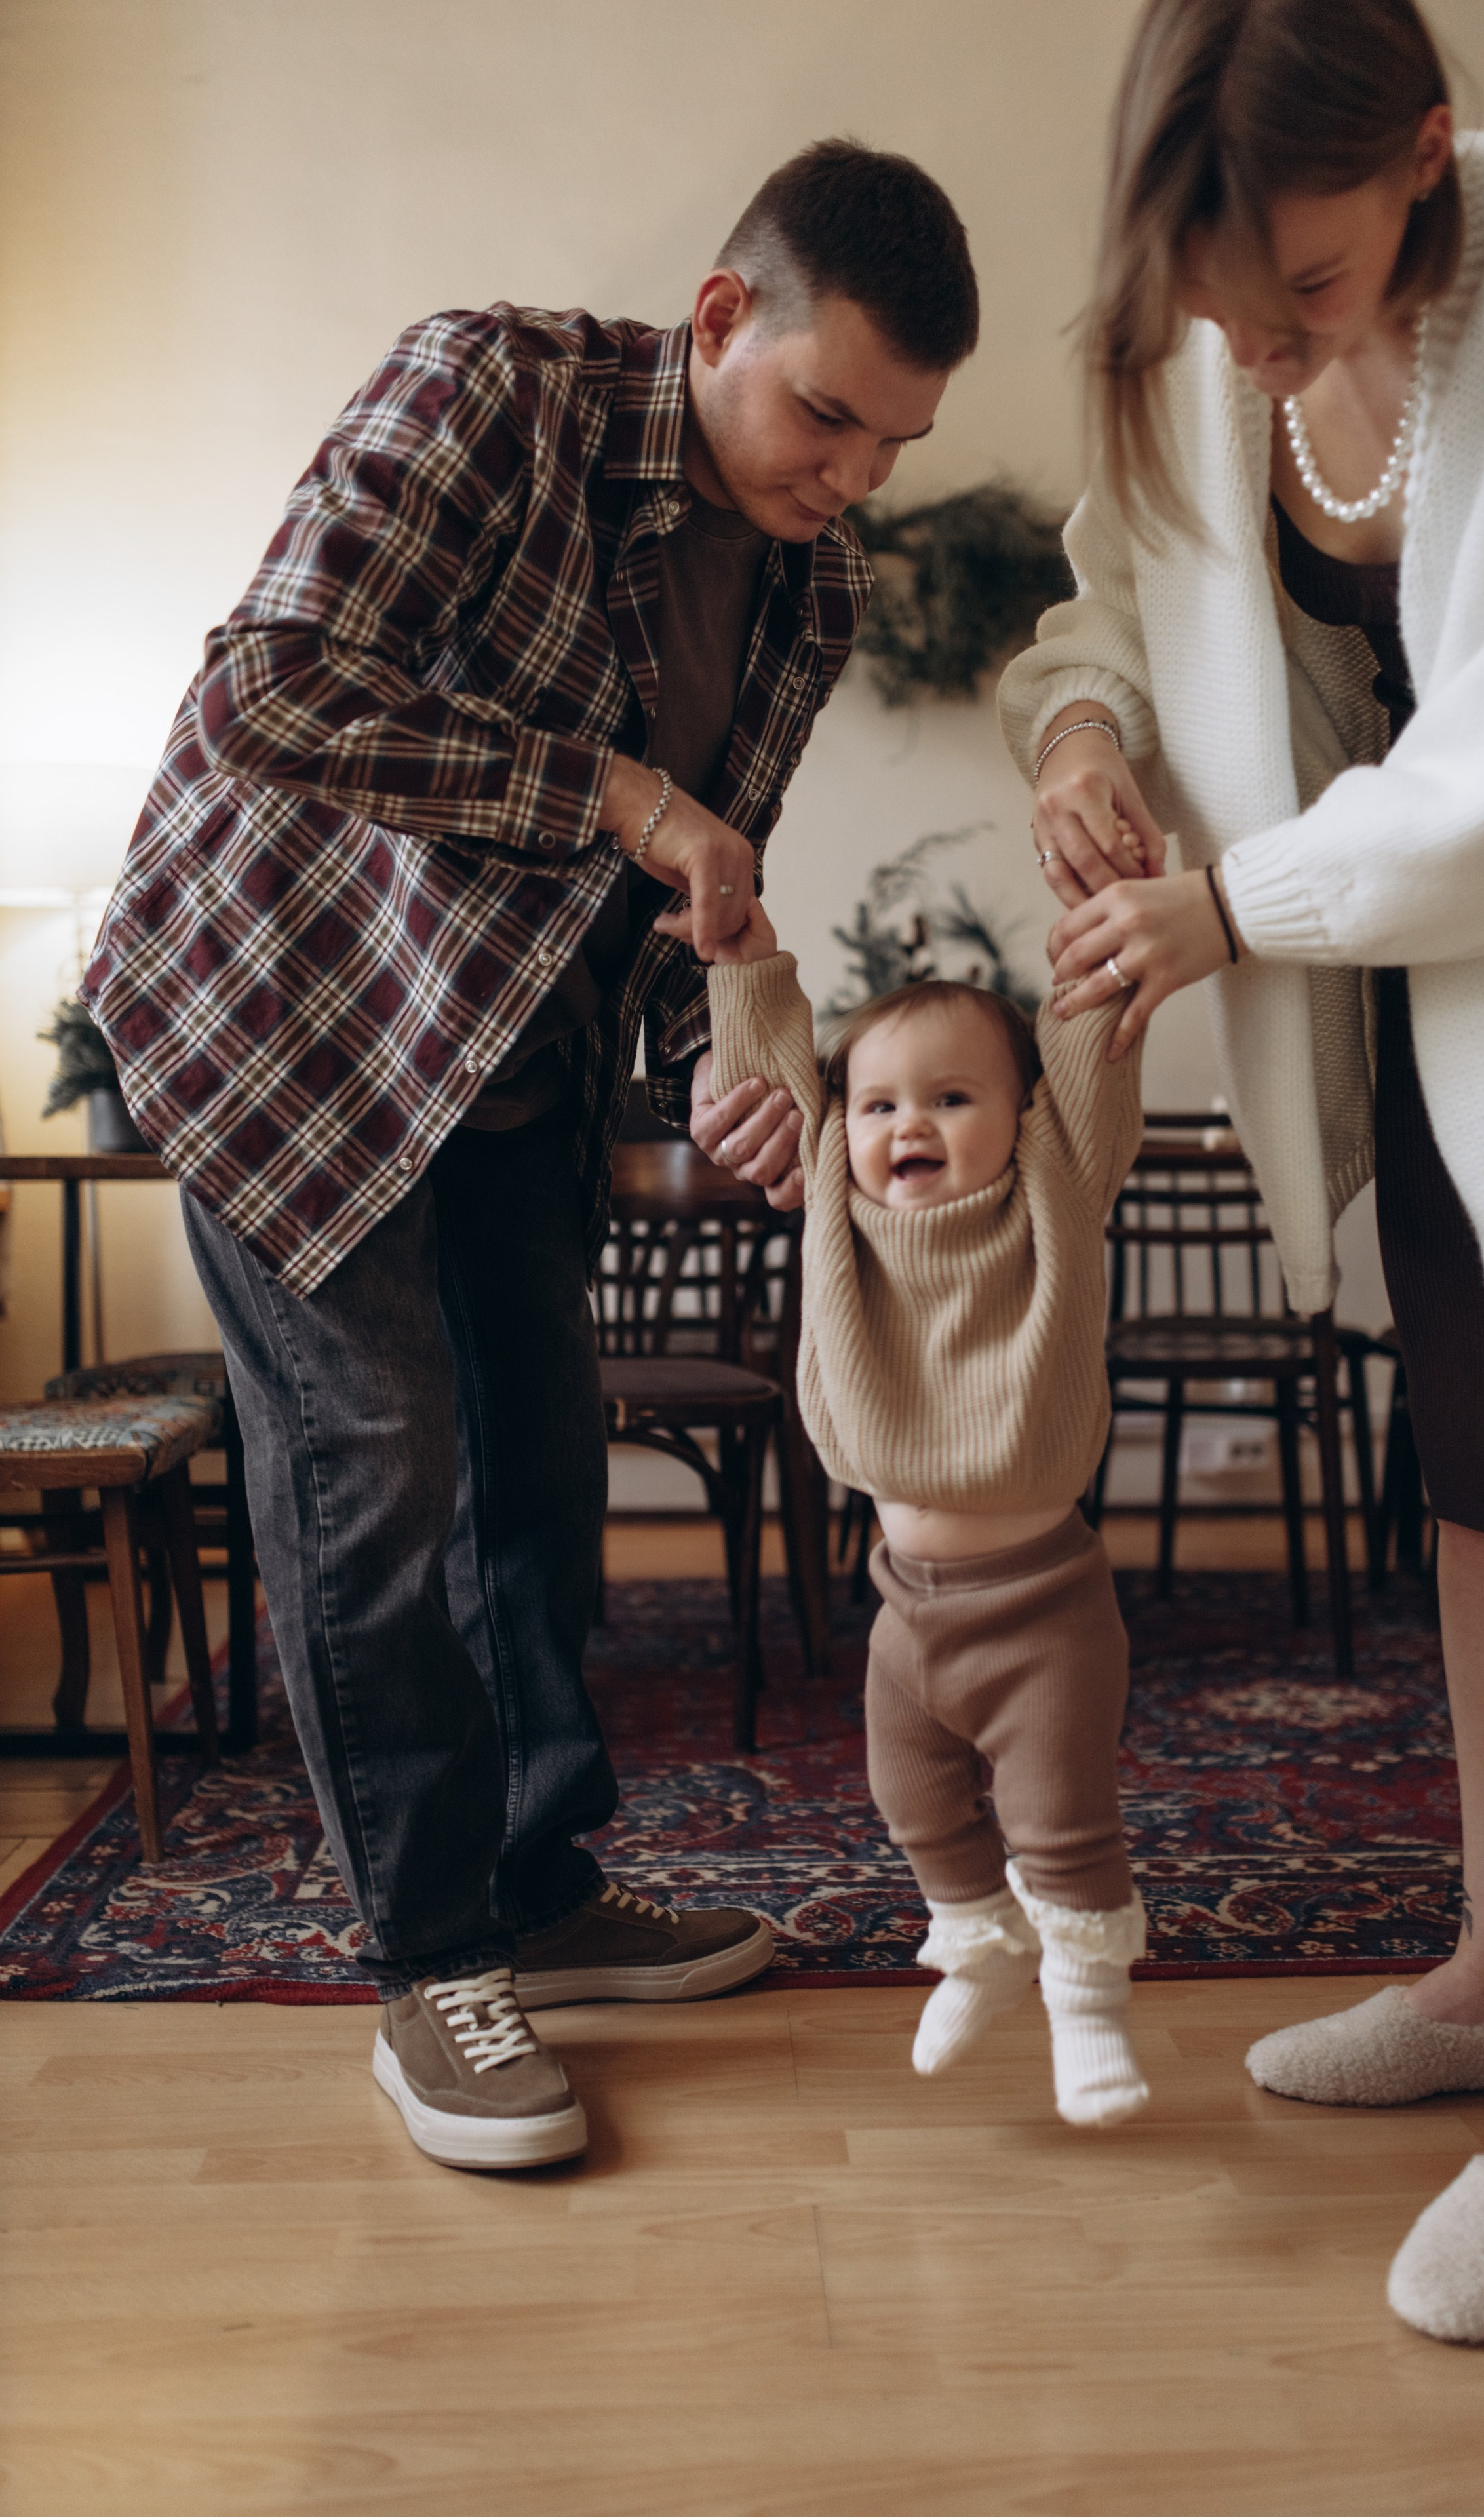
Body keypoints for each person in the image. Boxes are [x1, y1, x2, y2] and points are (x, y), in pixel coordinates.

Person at [83, 140, 979, 2172]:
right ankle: (430, 1966)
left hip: (517, 1065)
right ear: (722, 317)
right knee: (377, 1457)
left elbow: (690, 893)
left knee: (541, 1458)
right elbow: (270, 687)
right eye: (825, 415)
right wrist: (616, 788)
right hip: (292, 1020)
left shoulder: (814, 579)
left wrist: (719, 1059)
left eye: (893, 445)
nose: (847, 478)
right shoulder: (492, 388)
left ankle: (543, 1895)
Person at [988, 0, 1484, 2341]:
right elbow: (1121, 581)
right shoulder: (1214, 330)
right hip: (1438, 1016)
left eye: (1305, 284)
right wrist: (1087, 728)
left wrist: (1226, 910)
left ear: (1428, 159)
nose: (1262, 341)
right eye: (1217, 298)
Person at [696, 889, 1150, 2126]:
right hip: (907, 1614)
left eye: (955, 1099)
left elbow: (1094, 1054)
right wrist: (746, 965)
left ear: (1022, 1118)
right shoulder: (836, 1211)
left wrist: (1097, 928)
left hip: (1046, 1604)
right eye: (884, 1103)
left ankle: (1090, 2009)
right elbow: (781, 1081)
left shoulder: (1056, 1192)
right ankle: (978, 1940)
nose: (914, 1124)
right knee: (915, 1806)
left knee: (1060, 1823)